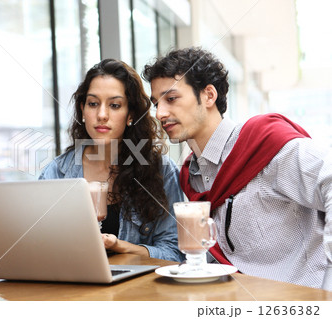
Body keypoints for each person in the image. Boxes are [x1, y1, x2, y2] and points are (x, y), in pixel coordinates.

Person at [142, 47, 332, 290]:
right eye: (156, 103)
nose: (160, 113)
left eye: (171, 99)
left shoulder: (264, 143)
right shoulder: (191, 176)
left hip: (303, 298)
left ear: (209, 95)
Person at [39, 59, 184, 262]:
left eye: (115, 105)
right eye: (93, 104)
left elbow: (174, 253)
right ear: (82, 110)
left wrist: (122, 247)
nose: (102, 115)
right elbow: (40, 249)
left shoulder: (161, 171)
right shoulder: (55, 174)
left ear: (130, 115)